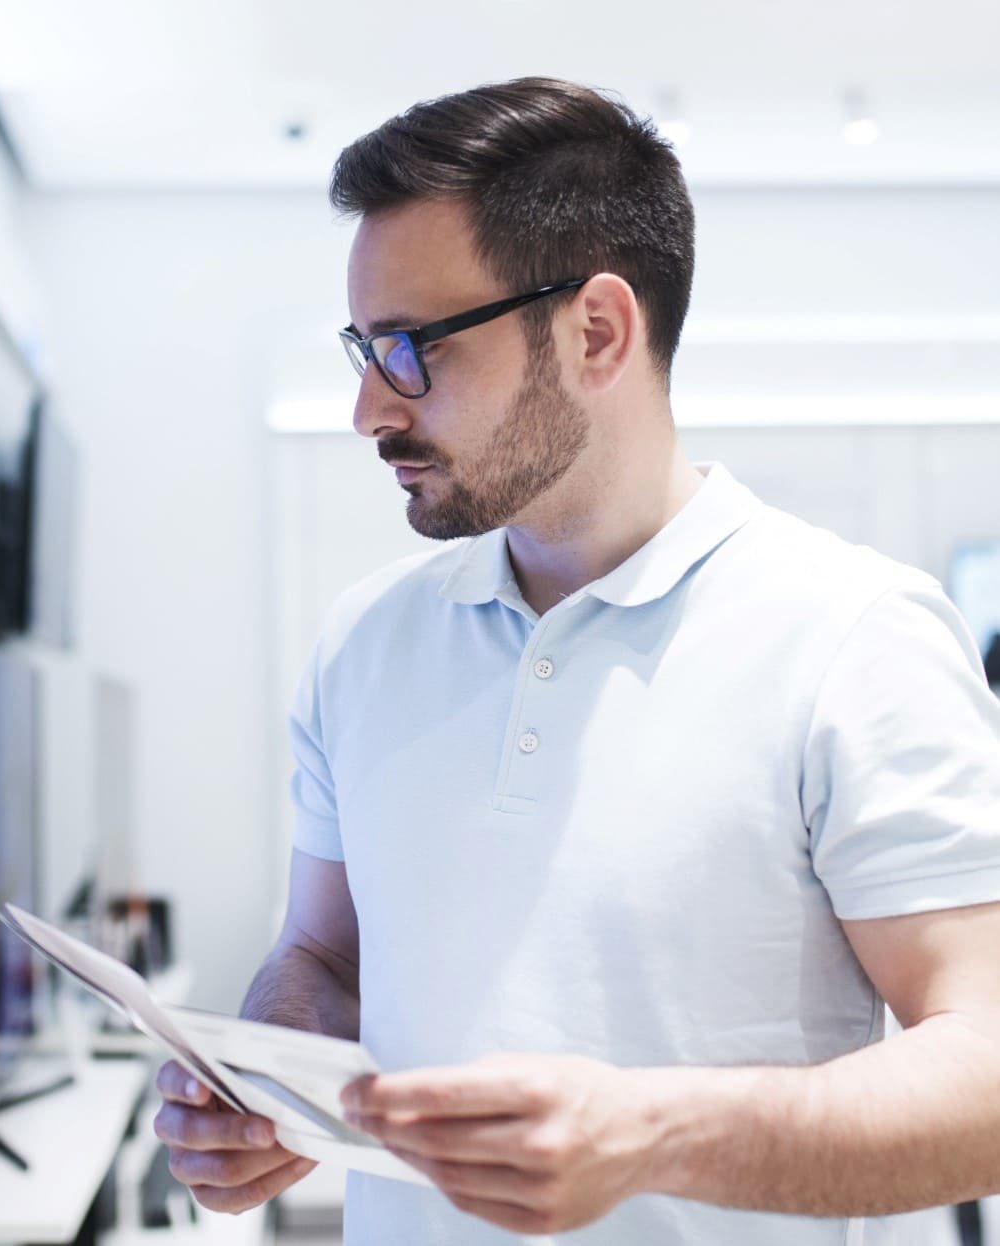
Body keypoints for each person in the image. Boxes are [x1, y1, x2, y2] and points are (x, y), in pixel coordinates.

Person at [152, 77, 1000, 1244]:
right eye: (363, 346)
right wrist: (262, 1083)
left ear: (594, 330)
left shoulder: (853, 636)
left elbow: (985, 1077)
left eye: (409, 349)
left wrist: (655, 1135)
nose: (366, 408)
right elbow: (321, 952)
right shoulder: (364, 642)